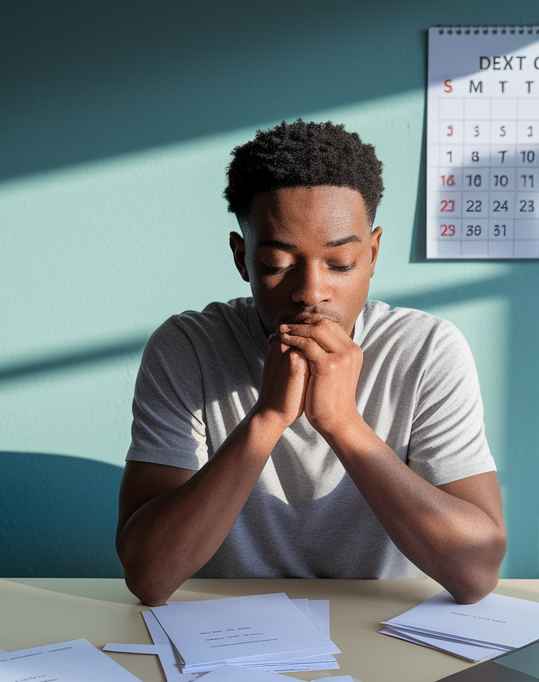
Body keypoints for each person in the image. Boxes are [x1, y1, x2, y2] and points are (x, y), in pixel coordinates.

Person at [116, 120, 506, 606]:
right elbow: (149, 579)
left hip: (379, 626)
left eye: (340, 264)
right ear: (242, 258)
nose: (310, 293)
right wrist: (268, 418)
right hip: (228, 635)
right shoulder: (187, 348)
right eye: (277, 265)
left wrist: (342, 423)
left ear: (374, 253)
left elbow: (476, 574)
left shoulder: (426, 350)